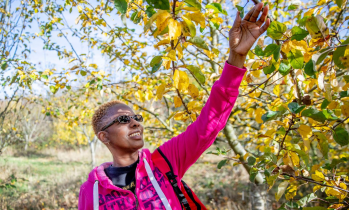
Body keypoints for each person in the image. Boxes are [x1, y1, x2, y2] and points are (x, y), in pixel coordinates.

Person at [79, 3, 270, 210]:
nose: (134, 123)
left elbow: (208, 125)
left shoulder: (165, 162)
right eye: (123, 120)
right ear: (104, 136)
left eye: (136, 118)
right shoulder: (92, 191)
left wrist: (237, 57)